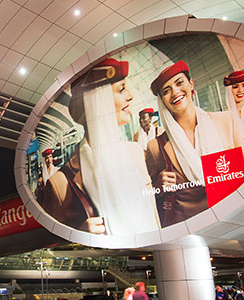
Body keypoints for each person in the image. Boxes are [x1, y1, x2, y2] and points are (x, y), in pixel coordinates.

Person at [43, 58, 160, 235]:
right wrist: (80, 236)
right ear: (98, 100)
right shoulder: (60, 184)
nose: (130, 95)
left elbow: (153, 216)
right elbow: (54, 241)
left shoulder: (135, 153)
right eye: (121, 89)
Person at [146, 61, 244, 227]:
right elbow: (149, 197)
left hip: (233, 219)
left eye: (179, 83)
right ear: (162, 100)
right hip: (188, 228)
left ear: (191, 84)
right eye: (166, 91)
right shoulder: (157, 146)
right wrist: (158, 186)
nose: (175, 92)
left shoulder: (226, 122)